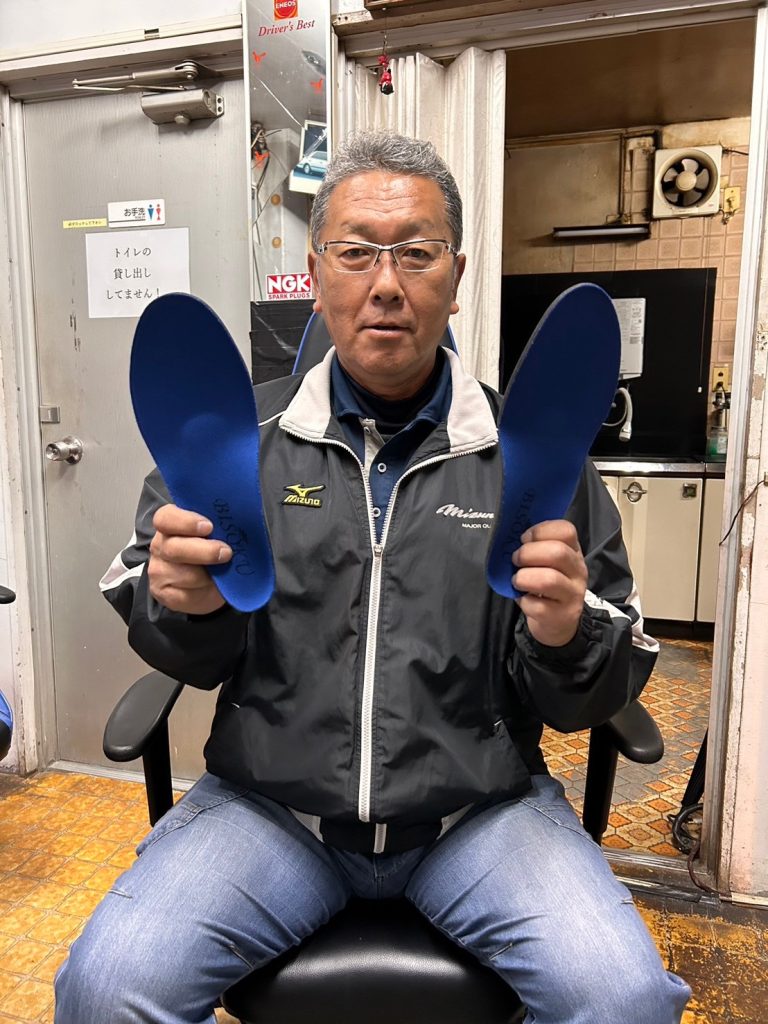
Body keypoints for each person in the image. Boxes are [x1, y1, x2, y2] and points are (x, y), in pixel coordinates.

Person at [55, 131, 690, 1024]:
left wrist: (565, 635)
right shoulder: (237, 444)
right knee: (103, 989)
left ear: (456, 277)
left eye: (417, 253)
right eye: (356, 252)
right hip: (274, 812)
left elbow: (598, 681)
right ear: (317, 274)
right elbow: (182, 649)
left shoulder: (532, 458)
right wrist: (186, 610)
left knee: (625, 999)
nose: (386, 283)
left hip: (478, 816)